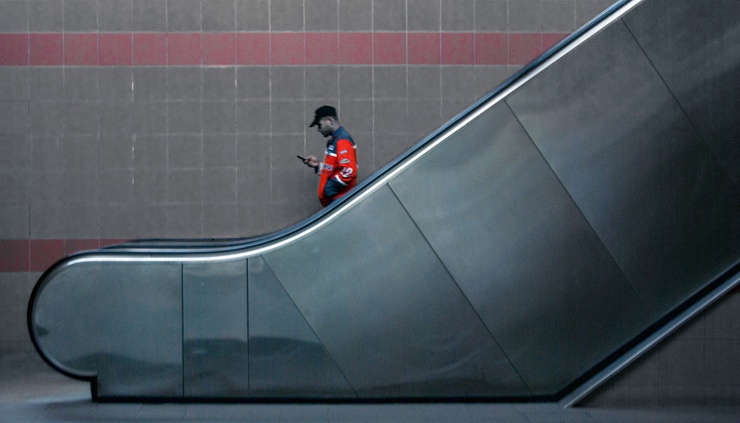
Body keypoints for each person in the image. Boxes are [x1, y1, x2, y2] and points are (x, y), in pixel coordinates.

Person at [302, 105, 358, 207]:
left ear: (329, 120)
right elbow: (335, 168)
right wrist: (318, 166)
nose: (319, 129)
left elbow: (349, 171)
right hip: (338, 201)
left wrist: (328, 189)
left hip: (340, 201)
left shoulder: (342, 140)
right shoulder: (336, 140)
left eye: (320, 125)